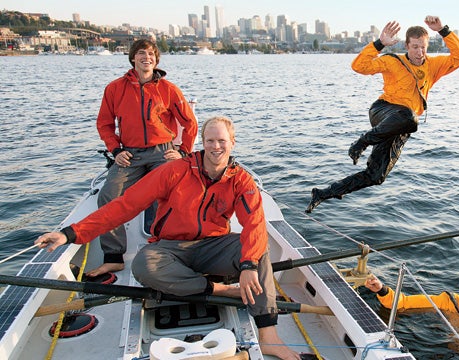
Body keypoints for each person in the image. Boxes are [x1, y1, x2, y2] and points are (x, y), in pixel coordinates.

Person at [36, 116, 300, 360]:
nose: (216, 146)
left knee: (257, 248)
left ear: (232, 142)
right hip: (171, 249)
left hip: (213, 246)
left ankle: (269, 335)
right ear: (202, 142)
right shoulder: (175, 170)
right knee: (143, 265)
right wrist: (70, 233)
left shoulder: (241, 180)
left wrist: (248, 266)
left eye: (222, 141)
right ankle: (220, 289)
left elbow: (254, 224)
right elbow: (125, 205)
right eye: (210, 140)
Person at [306, 16, 459, 213]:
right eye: (415, 47)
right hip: (382, 111)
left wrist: (442, 29)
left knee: (376, 176)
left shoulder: (433, 66)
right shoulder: (392, 61)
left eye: (423, 47)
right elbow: (359, 66)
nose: (420, 52)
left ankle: (323, 193)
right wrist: (380, 43)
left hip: (401, 126)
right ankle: (362, 142)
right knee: (409, 117)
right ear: (407, 45)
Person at [92, 38, 198, 277]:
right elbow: (105, 124)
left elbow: (190, 123)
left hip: (163, 151)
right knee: (109, 195)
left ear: (156, 60)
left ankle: (170, 247)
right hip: (130, 153)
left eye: (151, 54)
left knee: (176, 192)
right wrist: (116, 150)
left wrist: (182, 151)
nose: (146, 57)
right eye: (141, 53)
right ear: (133, 58)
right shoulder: (115, 88)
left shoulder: (168, 89)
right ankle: (113, 256)